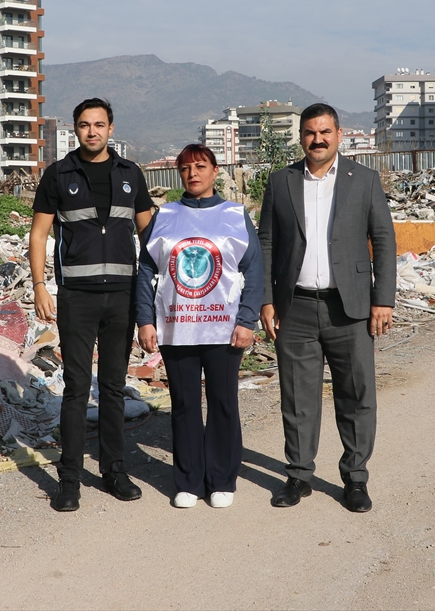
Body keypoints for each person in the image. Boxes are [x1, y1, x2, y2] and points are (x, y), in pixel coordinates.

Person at [258, 103, 396, 512]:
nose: (317, 140)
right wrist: (266, 299)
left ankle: (355, 478)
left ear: (338, 135)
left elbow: (384, 240)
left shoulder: (363, 180)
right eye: (310, 133)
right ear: (301, 137)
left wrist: (382, 299)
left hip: (349, 309)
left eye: (325, 132)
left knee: (355, 396)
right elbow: (267, 242)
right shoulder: (281, 182)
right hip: (295, 307)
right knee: (297, 397)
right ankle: (298, 476)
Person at [29, 98, 155, 512]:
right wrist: (40, 286)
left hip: (122, 296)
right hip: (77, 298)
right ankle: (69, 480)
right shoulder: (59, 174)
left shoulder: (130, 173)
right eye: (85, 125)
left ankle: (114, 471)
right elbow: (39, 234)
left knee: (115, 387)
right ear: (76, 130)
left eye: (99, 125)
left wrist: (158, 289)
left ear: (110, 129)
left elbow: (150, 235)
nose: (92, 131)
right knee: (77, 388)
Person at [135, 144, 263, 509]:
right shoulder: (165, 216)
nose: (193, 174)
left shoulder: (234, 215)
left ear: (214, 170)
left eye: (201, 166)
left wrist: (247, 320)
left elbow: (254, 270)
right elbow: (146, 271)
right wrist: (145, 320)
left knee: (223, 402)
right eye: (186, 168)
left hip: (225, 329)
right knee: (184, 404)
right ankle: (189, 480)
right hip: (176, 329)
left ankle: (222, 479)